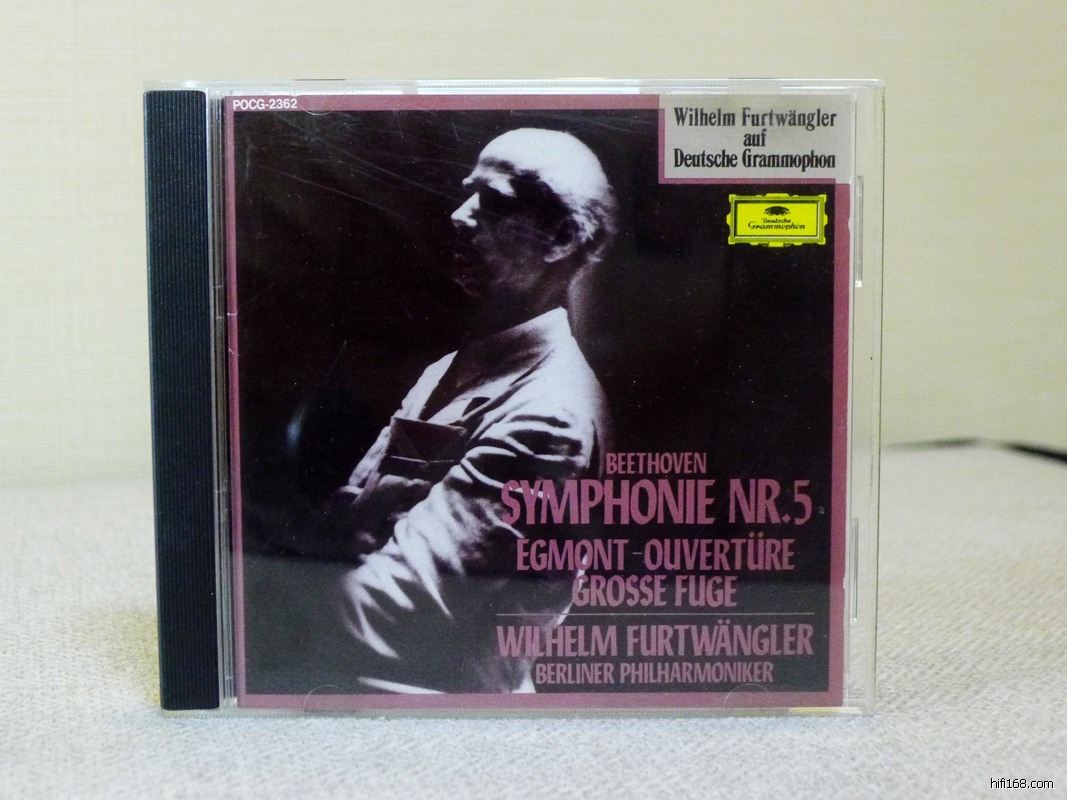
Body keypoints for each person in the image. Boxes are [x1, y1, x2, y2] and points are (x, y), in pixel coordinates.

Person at [305, 128, 617, 694]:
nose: (458, 215)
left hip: (440, 714)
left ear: (561, 237)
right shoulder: (453, 368)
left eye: (494, 203)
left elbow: (391, 610)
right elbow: (343, 522)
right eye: (468, 192)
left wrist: (260, 597)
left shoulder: (552, 411)